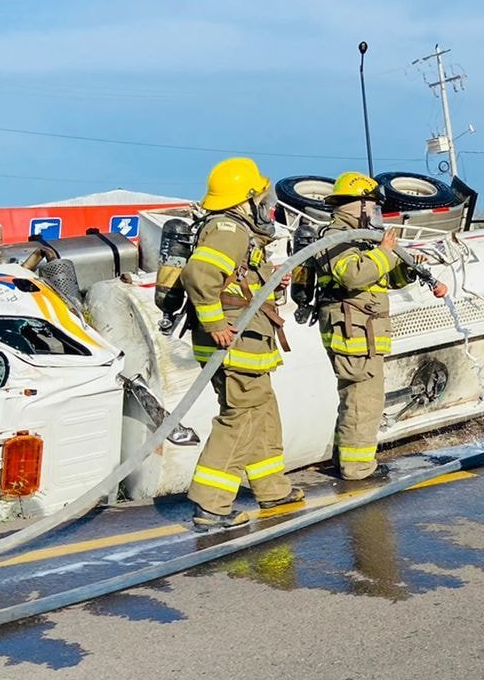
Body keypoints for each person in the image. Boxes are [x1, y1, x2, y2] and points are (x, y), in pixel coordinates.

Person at [183, 157, 303, 528]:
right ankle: (211, 504)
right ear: (245, 198)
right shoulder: (229, 228)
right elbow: (200, 274)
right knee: (242, 416)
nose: (267, 204)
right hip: (235, 339)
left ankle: (272, 489)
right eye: (262, 196)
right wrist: (216, 322)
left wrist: (272, 279)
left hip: (246, 337)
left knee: (262, 410)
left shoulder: (236, 231)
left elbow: (238, 276)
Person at [316, 171, 447, 481]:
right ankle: (358, 469)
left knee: (358, 400)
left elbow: (383, 278)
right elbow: (353, 275)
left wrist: (406, 265)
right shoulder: (335, 236)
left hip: (365, 332)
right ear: (358, 206)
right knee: (364, 402)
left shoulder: (362, 238)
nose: (376, 214)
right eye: (373, 207)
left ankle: (345, 462)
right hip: (352, 333)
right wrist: (385, 253)